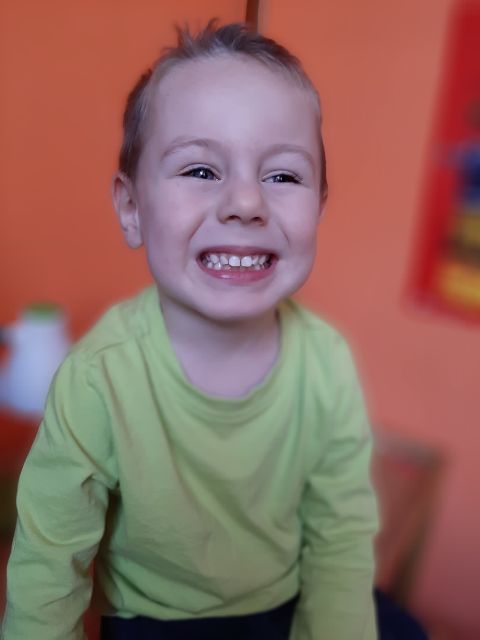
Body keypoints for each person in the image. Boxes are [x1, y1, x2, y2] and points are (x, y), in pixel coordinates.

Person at [2, 21, 379, 640]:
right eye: (201, 170)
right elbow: (48, 565)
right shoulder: (99, 378)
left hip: (286, 600)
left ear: (320, 205)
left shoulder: (326, 362)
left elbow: (341, 538)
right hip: (156, 621)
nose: (246, 203)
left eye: (283, 176)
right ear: (132, 208)